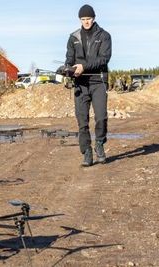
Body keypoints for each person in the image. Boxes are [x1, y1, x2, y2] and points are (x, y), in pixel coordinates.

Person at [65, 4, 112, 166]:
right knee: (82, 121)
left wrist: (84, 66)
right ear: (80, 19)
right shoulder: (73, 37)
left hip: (98, 81)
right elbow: (69, 59)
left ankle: (99, 143)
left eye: (89, 19)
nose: (86, 22)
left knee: (101, 117)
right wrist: (69, 70)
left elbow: (104, 59)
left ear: (94, 18)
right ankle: (87, 152)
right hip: (80, 84)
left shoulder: (104, 36)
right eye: (83, 19)